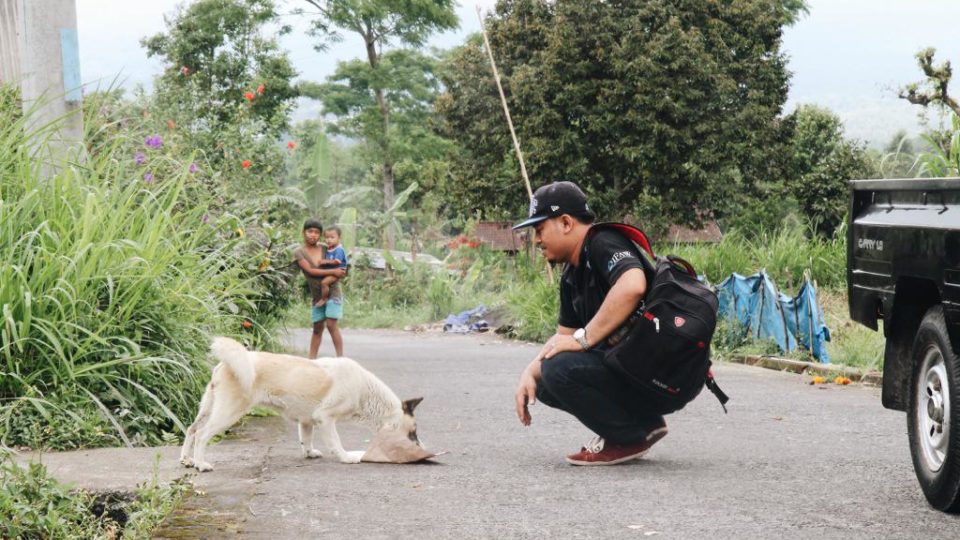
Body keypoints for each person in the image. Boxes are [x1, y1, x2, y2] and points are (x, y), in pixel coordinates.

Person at [512, 181, 668, 466]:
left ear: (566, 223)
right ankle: (645, 423)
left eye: (539, 229)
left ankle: (628, 438)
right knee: (543, 379)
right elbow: (562, 340)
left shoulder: (602, 242)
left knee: (555, 370)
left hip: (663, 370)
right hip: (635, 369)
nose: (536, 240)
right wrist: (527, 374)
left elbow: (632, 285)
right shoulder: (572, 275)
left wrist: (583, 340)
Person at [293, 219, 347, 358]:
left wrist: (338, 271)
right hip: (317, 296)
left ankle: (340, 358)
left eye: (317, 232)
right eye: (310, 231)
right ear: (303, 232)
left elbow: (340, 260)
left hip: (333, 293)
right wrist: (332, 272)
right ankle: (311, 360)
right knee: (317, 328)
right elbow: (310, 271)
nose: (313, 235)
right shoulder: (299, 252)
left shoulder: (325, 247)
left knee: (331, 325)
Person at [315, 226, 348, 307]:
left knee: (324, 283)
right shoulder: (330, 248)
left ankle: (324, 299)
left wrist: (324, 261)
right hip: (333, 270)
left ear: (339, 238)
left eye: (332, 237)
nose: (329, 240)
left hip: (338, 271)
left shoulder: (339, 249)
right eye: (327, 237)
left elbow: (337, 261)